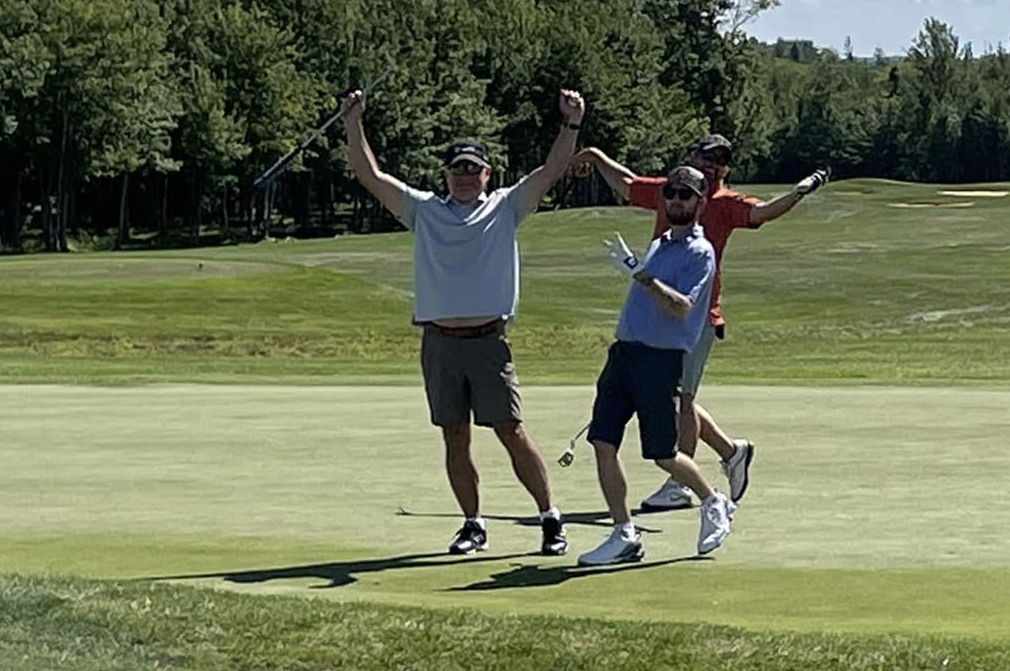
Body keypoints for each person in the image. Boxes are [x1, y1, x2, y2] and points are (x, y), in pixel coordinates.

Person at [341, 87, 585, 556]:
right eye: (458, 170)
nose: (466, 177)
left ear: (487, 173)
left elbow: (552, 169)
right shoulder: (423, 210)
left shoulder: (506, 206)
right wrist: (354, 123)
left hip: (488, 341)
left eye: (474, 169)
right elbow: (369, 175)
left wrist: (571, 123)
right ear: (447, 175)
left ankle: (549, 518)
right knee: (455, 436)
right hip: (440, 343)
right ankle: (473, 525)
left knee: (511, 430)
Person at [571, 134, 826, 513]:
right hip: (656, 310)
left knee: (682, 399)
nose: (712, 164)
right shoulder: (674, 189)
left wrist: (799, 192)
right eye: (706, 155)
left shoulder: (723, 202)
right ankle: (731, 452)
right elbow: (626, 184)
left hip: (695, 316)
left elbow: (762, 213)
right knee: (676, 398)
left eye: (720, 159)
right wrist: (594, 155)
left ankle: (681, 484)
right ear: (691, 156)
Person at [576, 164, 737, 565]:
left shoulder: (700, 253)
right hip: (623, 355)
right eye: (671, 194)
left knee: (663, 454)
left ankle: (713, 501)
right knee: (602, 441)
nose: (676, 201)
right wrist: (640, 269)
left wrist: (642, 276)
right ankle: (624, 533)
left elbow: (681, 308)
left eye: (685, 195)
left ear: (700, 203)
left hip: (660, 360)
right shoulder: (660, 244)